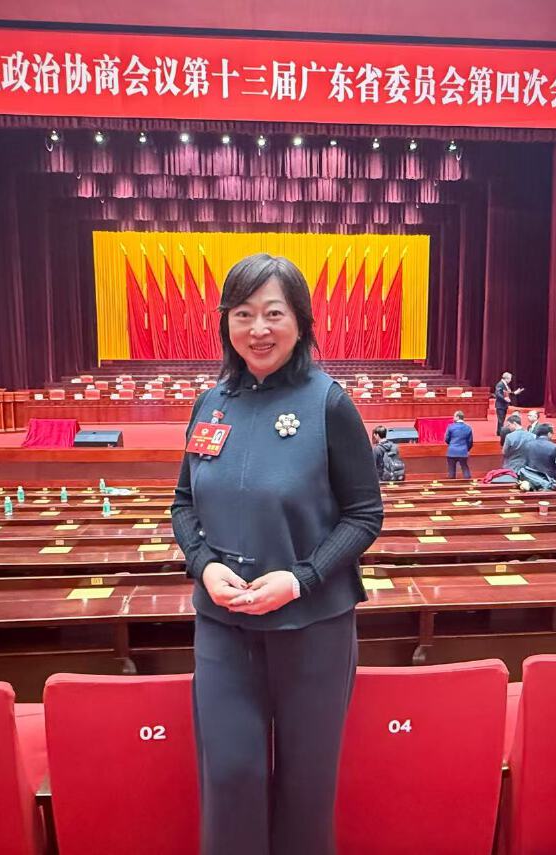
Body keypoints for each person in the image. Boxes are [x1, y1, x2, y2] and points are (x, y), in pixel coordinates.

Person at [168, 253, 384, 855]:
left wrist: (301, 577)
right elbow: (183, 504)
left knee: (305, 789)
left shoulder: (328, 403)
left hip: (313, 625)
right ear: (225, 323)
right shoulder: (211, 403)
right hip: (224, 625)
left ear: (301, 322)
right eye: (242, 314)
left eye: (273, 313)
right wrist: (203, 564)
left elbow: (365, 515)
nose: (257, 329)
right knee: (230, 778)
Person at [443, 410, 474, 479]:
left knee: (451, 471)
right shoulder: (468, 428)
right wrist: (466, 449)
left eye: (454, 416)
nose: (453, 418)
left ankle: (451, 483)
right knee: (465, 468)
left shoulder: (450, 427)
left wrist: (451, 444)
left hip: (452, 451)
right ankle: (468, 483)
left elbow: (446, 439)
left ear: (457, 417)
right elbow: (470, 441)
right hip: (463, 451)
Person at [493, 371, 523, 438]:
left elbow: (507, 393)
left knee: (502, 419)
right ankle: (500, 433)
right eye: (510, 378)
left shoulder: (505, 384)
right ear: (506, 378)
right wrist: (504, 399)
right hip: (500, 405)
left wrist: (515, 393)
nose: (511, 380)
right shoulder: (500, 384)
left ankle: (500, 432)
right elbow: (498, 394)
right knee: (501, 420)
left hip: (504, 405)